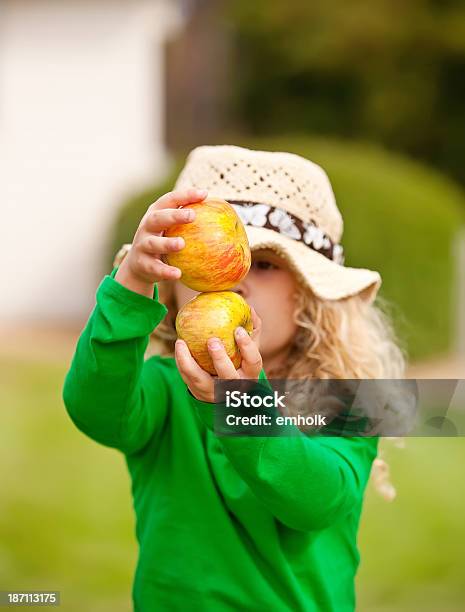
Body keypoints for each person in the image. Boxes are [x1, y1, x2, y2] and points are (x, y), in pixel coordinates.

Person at [62, 145, 406, 611]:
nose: (232, 282)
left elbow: (316, 501)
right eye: (205, 265)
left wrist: (241, 403)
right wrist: (130, 284)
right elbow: (93, 409)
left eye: (263, 265)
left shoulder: (343, 403)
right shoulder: (165, 389)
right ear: (174, 280)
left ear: (308, 296)